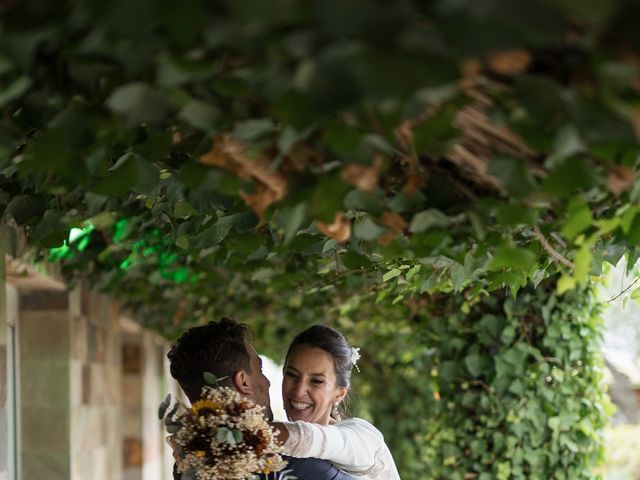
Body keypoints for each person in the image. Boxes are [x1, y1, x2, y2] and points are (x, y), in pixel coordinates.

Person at [167, 317, 354, 480]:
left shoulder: (185, 464)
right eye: (260, 370)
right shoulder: (287, 462)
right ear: (243, 382)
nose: (267, 382)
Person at [271, 325, 401, 480]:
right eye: (292, 375)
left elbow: (304, 438)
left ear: (339, 393)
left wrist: (248, 430)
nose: (299, 391)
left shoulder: (362, 438)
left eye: (316, 381)